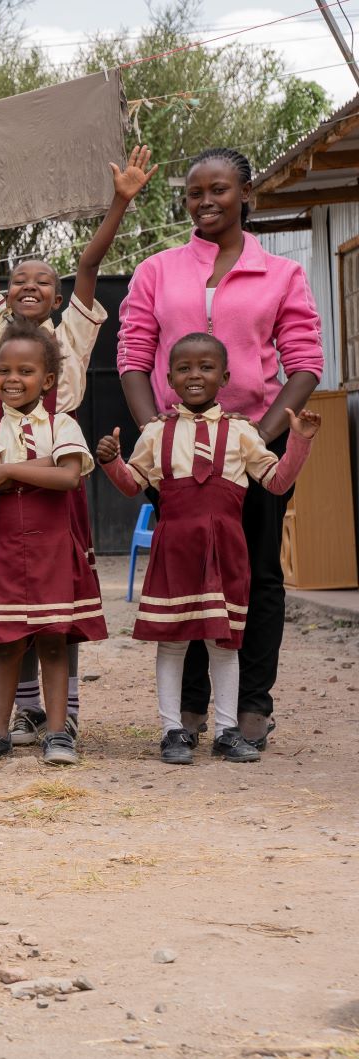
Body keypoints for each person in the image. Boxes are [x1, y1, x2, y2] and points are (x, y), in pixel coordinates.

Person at [0, 149, 154, 743]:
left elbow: (90, 262)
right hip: (6, 461)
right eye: (20, 279)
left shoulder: (71, 330)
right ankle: (20, 714)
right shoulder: (0, 335)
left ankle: (61, 714)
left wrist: (121, 201)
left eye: (42, 281)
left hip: (56, 454)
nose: (28, 286)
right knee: (10, 604)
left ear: (57, 296)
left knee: (59, 605)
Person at [117, 147, 323, 754]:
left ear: (245, 195)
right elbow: (132, 356)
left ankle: (253, 705)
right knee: (185, 572)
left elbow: (305, 364)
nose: (205, 202)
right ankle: (190, 707)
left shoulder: (281, 274)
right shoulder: (157, 270)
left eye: (219, 191)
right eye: (194, 194)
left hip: (251, 453)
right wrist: (160, 429)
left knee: (254, 574)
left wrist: (257, 434)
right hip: (175, 454)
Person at [97, 332, 316, 765]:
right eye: (184, 368)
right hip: (175, 550)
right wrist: (111, 462)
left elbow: (276, 482)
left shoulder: (242, 433)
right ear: (169, 379)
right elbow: (131, 485)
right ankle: (172, 730)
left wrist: (299, 442)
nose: (195, 375)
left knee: (225, 642)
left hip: (227, 551)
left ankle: (226, 730)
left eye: (206, 367)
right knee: (174, 640)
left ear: (225, 377)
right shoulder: (155, 433)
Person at [0, 323, 106, 768]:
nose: (12, 378)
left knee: (55, 642)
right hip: (6, 552)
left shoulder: (63, 423)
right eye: (4, 370)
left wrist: (13, 469)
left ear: (47, 380)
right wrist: (42, 464)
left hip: (54, 551)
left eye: (25, 370)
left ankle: (58, 734)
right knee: (7, 643)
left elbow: (67, 477)